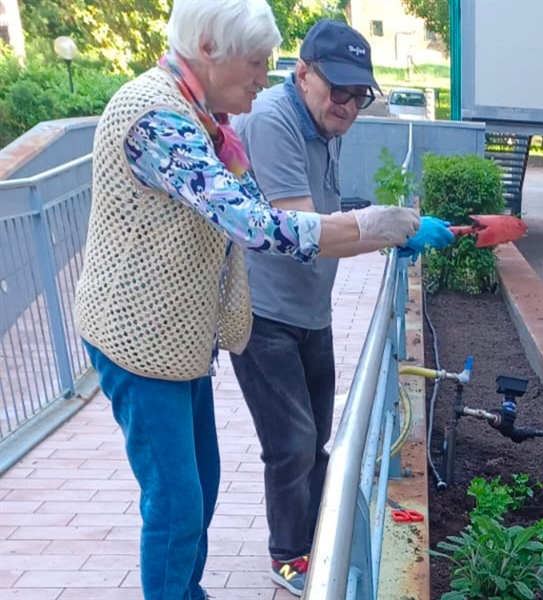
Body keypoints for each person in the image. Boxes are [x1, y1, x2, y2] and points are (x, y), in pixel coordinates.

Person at [72, 2, 428, 599]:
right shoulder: (155, 116)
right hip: (135, 340)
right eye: (258, 62)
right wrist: (372, 227)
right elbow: (254, 223)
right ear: (209, 47)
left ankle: (187, 590)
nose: (265, 77)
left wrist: (373, 224)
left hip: (179, 343)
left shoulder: (205, 118)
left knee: (202, 482)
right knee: (177, 503)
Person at [227, 19, 454, 595]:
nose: (349, 105)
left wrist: (388, 228)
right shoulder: (275, 121)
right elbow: (305, 232)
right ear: (303, 74)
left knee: (319, 437)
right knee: (293, 443)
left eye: (359, 95)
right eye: (339, 91)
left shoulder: (322, 125)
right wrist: (390, 225)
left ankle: (327, 531)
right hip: (266, 313)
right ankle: (291, 555)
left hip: (311, 312)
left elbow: (330, 211)